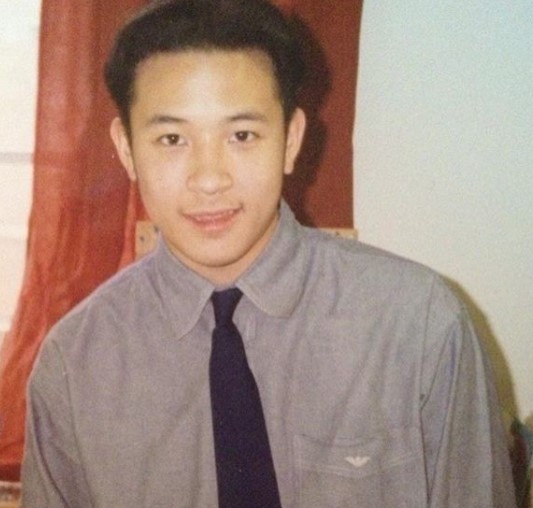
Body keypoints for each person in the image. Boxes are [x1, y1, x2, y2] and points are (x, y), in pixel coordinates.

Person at [21, 0, 515, 506]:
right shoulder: (74, 367)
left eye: (242, 135)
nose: (209, 179)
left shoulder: (419, 326)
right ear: (127, 149)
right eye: (172, 139)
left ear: (291, 140)